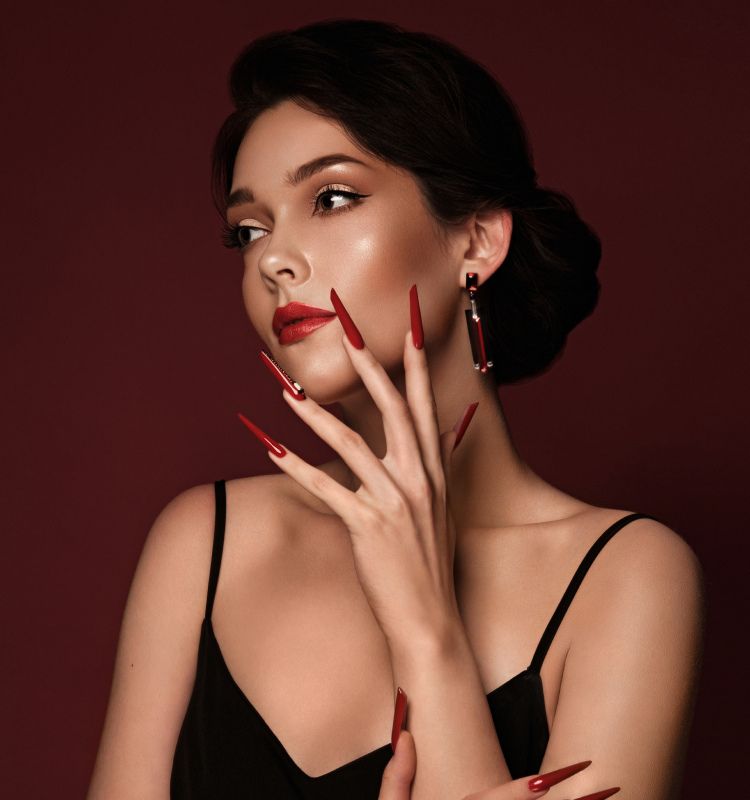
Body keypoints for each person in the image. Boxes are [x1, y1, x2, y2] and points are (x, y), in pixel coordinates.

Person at [86, 19, 703, 800]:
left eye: (332, 197)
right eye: (248, 230)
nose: (273, 260)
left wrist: (426, 626)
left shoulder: (627, 576)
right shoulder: (205, 544)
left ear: (476, 242)